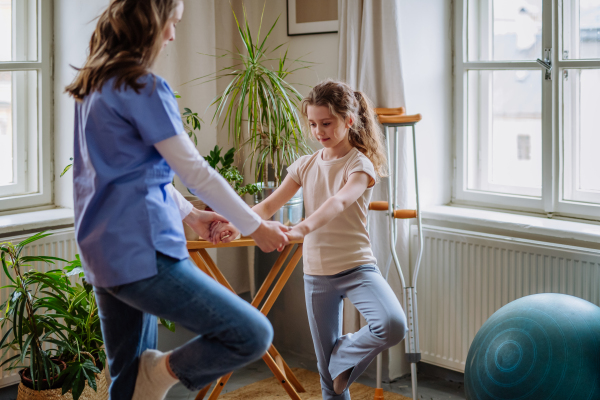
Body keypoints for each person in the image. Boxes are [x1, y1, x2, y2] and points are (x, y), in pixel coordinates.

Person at [66, 1, 290, 400]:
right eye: (172, 24)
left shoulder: (95, 88)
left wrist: (190, 215)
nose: (172, 35)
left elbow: (130, 172)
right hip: (143, 251)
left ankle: (149, 375)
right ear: (153, 23)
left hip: (102, 253)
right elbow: (196, 172)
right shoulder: (143, 88)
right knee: (252, 333)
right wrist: (257, 227)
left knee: (128, 381)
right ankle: (161, 371)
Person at [214, 80, 408, 399]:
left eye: (327, 123)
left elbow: (338, 202)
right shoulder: (305, 165)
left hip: (358, 268)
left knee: (391, 324)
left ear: (348, 120)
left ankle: (343, 354)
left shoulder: (359, 164)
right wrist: (237, 225)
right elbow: (267, 205)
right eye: (314, 124)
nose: (319, 131)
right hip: (317, 276)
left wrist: (300, 229)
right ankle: (336, 364)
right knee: (330, 380)